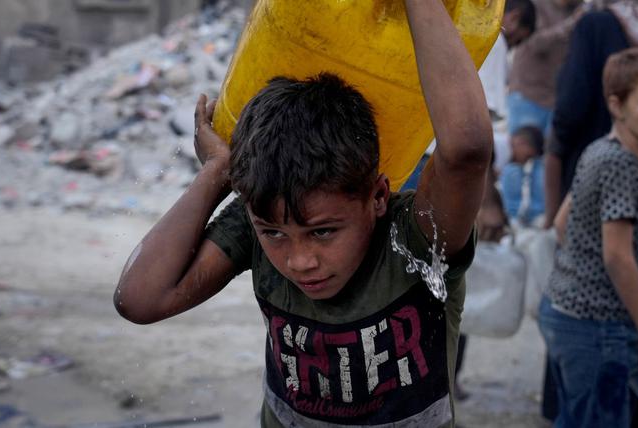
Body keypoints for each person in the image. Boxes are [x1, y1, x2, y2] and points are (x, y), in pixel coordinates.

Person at [113, 0, 493, 425]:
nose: (299, 261)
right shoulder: (258, 218)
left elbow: (465, 151)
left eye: (324, 232)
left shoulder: (414, 241)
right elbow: (139, 300)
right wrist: (218, 171)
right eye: (274, 234)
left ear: (379, 196)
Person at [541, 48, 638, 428]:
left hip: (567, 313)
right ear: (616, 104)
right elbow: (618, 258)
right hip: (597, 328)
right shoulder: (623, 165)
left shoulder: (600, 150)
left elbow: (563, 225)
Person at [545, 0, 638, 229]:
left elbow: (570, 107)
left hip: (591, 147)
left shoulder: (595, 26)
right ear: (616, 105)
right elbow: (616, 259)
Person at [501, 0, 584, 228]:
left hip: (555, 96)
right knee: (513, 155)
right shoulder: (535, 7)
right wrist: (573, 24)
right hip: (527, 93)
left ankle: (538, 214)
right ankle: (511, 214)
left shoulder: (577, 9)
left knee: (545, 159)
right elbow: (535, 44)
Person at [499, 126, 545, 227]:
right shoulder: (510, 170)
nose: (512, 150)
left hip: (539, 224)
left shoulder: (543, 170)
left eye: (514, 145)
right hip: (518, 224)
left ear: (523, 144)